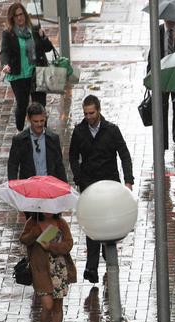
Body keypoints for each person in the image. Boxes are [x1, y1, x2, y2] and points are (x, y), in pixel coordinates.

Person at [69, 95, 134, 284]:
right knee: (92, 224)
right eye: (86, 114)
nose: (89, 117)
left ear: (99, 110)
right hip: (89, 185)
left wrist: (128, 181)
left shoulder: (111, 131)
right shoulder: (80, 131)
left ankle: (108, 252)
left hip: (110, 184)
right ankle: (91, 267)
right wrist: (79, 177)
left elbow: (124, 155)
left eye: (92, 113)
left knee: (109, 222)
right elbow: (73, 156)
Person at [20, 212, 76, 322]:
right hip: (40, 271)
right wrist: (35, 233)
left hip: (59, 270)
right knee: (47, 304)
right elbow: (24, 239)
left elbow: (68, 244)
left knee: (57, 306)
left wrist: (51, 246)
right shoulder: (33, 222)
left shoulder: (61, 223)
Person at [0, 2, 54, 131]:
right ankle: (20, 130)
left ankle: (42, 132)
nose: (20, 18)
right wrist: (5, 64)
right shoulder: (8, 34)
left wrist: (43, 37)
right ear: (12, 18)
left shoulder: (34, 29)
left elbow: (48, 48)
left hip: (36, 73)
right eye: (16, 15)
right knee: (22, 105)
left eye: (21, 14)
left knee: (40, 105)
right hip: (18, 75)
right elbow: (4, 52)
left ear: (25, 14)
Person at [146, 19, 175, 150]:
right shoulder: (158, 31)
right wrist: (149, 76)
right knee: (161, 109)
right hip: (162, 76)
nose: (170, 20)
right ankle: (162, 143)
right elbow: (152, 54)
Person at [7, 102, 67, 182]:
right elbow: (13, 165)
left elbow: (59, 165)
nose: (39, 124)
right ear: (29, 119)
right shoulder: (19, 140)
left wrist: (65, 185)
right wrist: (13, 186)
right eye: (35, 121)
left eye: (42, 121)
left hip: (49, 185)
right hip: (29, 186)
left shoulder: (53, 139)